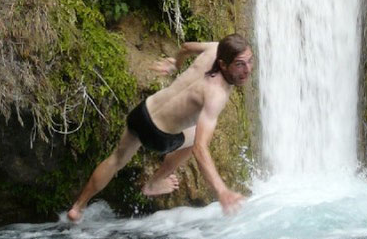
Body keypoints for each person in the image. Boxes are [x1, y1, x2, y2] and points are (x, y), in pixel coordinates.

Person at [66, 33, 254, 222]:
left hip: (142, 113)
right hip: (159, 137)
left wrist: (175, 64)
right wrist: (221, 191)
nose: (247, 70)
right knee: (197, 137)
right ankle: (154, 183)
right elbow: (200, 148)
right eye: (240, 64)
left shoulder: (215, 48)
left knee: (116, 159)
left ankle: (77, 207)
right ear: (222, 64)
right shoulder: (216, 93)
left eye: (250, 61)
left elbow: (187, 47)